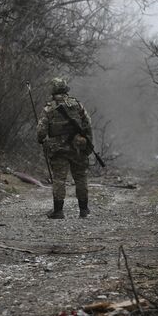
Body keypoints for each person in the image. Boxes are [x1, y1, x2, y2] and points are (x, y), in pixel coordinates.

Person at [36, 77, 93, 219]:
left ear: (53, 90)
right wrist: (88, 143)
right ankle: (84, 210)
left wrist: (41, 139)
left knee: (59, 179)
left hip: (58, 149)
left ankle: (58, 211)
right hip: (78, 147)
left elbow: (42, 129)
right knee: (80, 177)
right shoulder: (77, 105)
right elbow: (87, 124)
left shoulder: (49, 107)